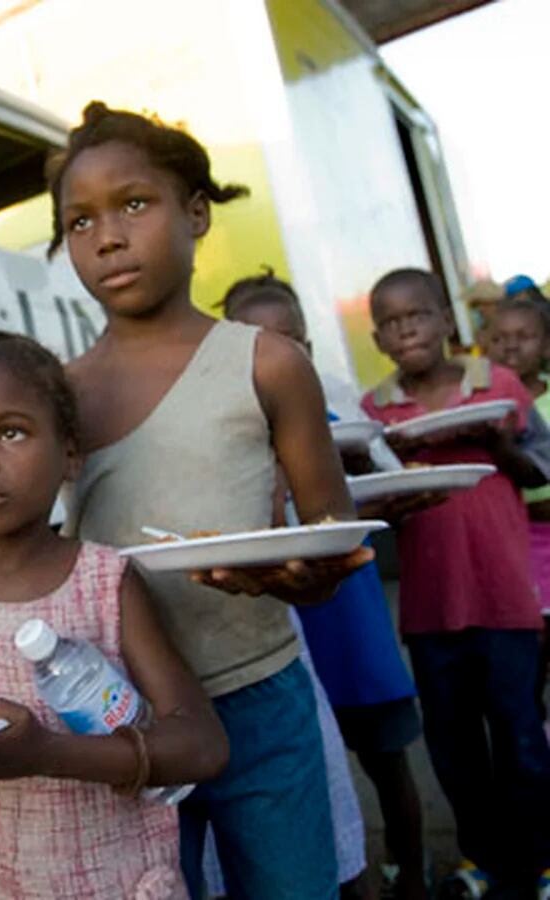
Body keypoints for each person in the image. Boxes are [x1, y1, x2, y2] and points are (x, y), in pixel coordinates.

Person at [55, 101, 371, 900]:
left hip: (259, 691)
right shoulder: (59, 396)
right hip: (126, 714)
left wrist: (303, 576)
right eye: (80, 221)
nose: (109, 237)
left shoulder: (266, 363)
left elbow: (334, 537)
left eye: (133, 204)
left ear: (195, 213)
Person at [0, 330, 226, 898]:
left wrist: (49, 754)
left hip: (124, 883)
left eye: (10, 432)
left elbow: (202, 746)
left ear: (70, 454)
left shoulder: (106, 582)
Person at [223, 272, 427, 900]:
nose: (279, 358)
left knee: (388, 760)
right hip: (286, 643)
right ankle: (346, 876)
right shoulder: (230, 443)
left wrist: (364, 465)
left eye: (292, 342)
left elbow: (395, 488)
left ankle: (414, 872)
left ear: (308, 349)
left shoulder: (341, 422)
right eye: (254, 346)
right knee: (318, 775)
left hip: (354, 628)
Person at [361, 268, 550, 899]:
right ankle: (483, 860)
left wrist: (501, 446)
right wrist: (385, 505)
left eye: (417, 315)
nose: (406, 328)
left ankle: (537, 862)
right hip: (430, 610)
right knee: (455, 751)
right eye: (390, 322)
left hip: (505, 602)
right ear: (378, 339)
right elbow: (369, 505)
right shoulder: (375, 412)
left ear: (447, 320)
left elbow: (536, 471)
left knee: (522, 740)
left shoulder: (496, 387)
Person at [486, 295, 550, 717]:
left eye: (524, 337)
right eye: (500, 338)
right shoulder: (486, 406)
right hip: (516, 540)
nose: (511, 347)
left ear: (546, 345)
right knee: (532, 645)